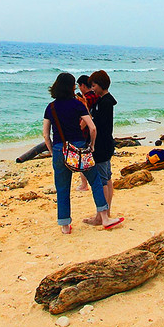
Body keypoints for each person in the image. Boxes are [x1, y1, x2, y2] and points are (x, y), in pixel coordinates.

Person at [42, 72, 123, 234]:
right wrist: (92, 145)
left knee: (63, 187)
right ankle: (105, 218)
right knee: (96, 182)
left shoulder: (50, 107)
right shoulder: (77, 104)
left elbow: (45, 134)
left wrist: (52, 151)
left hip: (60, 149)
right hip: (79, 148)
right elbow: (92, 127)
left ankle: (65, 226)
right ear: (72, 87)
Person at [83, 70, 118, 226]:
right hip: (106, 144)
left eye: (94, 85)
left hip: (102, 145)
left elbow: (98, 125)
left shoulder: (105, 103)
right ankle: (106, 212)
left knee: (103, 180)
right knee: (107, 178)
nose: (93, 89)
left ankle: (102, 215)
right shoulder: (104, 101)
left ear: (101, 85)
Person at [74, 75, 99, 192]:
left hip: (85, 132)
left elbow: (86, 117)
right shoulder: (97, 95)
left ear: (83, 85)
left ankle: (84, 184)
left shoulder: (85, 99)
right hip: (96, 129)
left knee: (83, 159)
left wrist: (78, 130)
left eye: (79, 86)